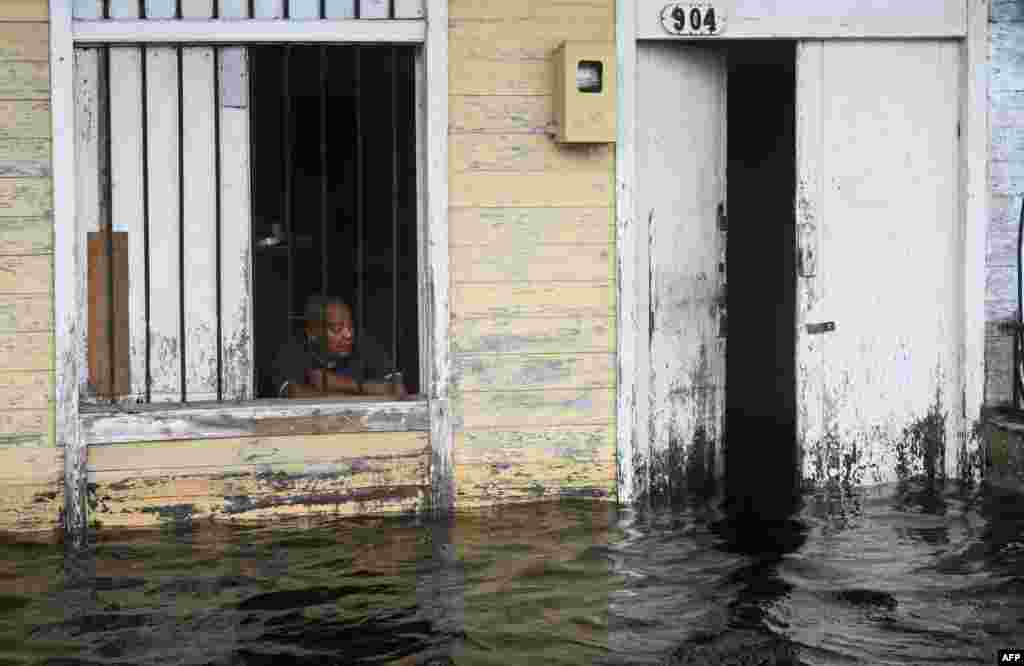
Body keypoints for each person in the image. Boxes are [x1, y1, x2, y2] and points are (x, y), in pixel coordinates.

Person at [270, 294, 407, 400]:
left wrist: (339, 384)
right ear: (312, 332)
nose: (348, 334)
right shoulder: (292, 350)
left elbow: (398, 389)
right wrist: (371, 391)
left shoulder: (364, 342)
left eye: (350, 326)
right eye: (337, 329)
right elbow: (295, 394)